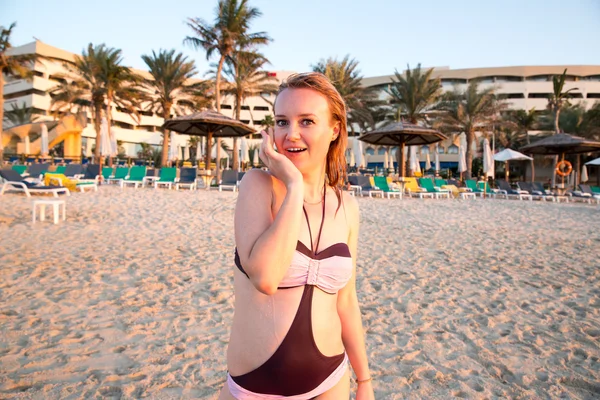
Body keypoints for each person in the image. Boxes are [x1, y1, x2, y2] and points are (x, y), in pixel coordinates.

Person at [219, 72, 374, 400]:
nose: (291, 134)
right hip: (254, 388)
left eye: (306, 121)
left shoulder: (346, 207)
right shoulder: (258, 187)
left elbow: (346, 301)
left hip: (329, 380)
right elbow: (266, 277)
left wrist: (364, 380)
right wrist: (292, 186)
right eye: (281, 121)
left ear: (334, 130)